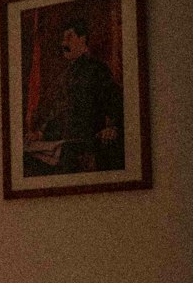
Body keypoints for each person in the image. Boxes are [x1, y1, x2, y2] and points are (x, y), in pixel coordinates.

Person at [24, 17, 124, 175]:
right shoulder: (65, 75)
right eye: (63, 39)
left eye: (69, 38)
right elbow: (59, 111)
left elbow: (115, 102)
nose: (64, 44)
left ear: (82, 39)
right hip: (64, 140)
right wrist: (40, 133)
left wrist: (112, 127)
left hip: (87, 140)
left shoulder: (97, 69)